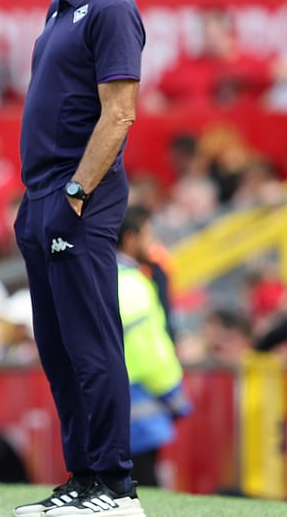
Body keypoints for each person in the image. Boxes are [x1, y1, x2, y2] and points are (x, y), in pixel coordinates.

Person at [12, 0, 146, 517]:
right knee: (58, 349)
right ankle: (83, 477)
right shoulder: (59, 7)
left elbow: (119, 114)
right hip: (41, 195)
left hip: (76, 198)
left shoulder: (113, 8)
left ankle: (115, 486)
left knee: (91, 344)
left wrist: (75, 193)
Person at [116, 206, 190, 489]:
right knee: (143, 490)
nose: (154, 243)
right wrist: (173, 393)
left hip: (118, 399)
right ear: (131, 238)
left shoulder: (103, 276)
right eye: (149, 235)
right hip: (140, 402)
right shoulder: (132, 283)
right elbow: (149, 351)